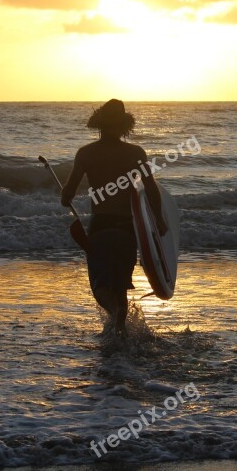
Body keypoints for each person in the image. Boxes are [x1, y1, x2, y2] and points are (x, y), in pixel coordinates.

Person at [61, 99, 167, 337]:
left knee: (99, 285)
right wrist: (158, 220)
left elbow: (68, 193)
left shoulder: (86, 153)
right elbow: (151, 189)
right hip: (127, 228)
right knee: (120, 285)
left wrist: (65, 196)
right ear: (124, 127)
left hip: (100, 226)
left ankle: (113, 312)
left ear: (98, 123)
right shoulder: (135, 153)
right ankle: (120, 333)